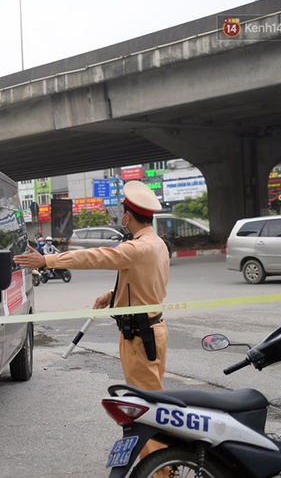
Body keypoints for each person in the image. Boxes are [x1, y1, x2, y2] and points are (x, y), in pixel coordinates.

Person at [13, 180, 169, 462]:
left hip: (139, 337)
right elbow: (148, 286)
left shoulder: (135, 249)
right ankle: (158, 462)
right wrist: (112, 296)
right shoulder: (156, 244)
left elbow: (94, 256)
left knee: (146, 408)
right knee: (151, 402)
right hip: (152, 329)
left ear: (127, 216)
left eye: (123, 212)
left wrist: (48, 261)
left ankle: (161, 467)